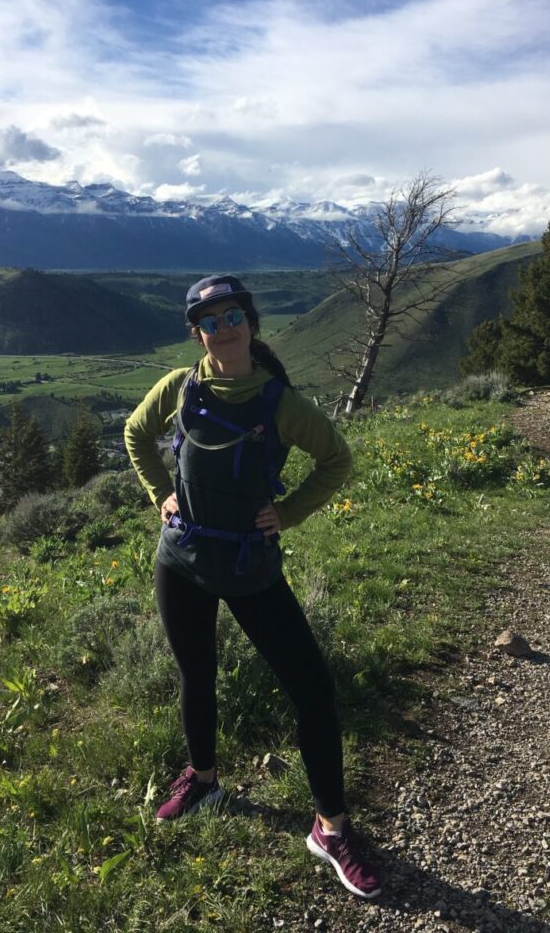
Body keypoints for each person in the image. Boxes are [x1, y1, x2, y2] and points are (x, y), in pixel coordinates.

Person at [124, 274, 381, 900]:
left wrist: (287, 514)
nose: (223, 329)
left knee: (313, 692)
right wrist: (161, 494)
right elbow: (135, 433)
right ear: (198, 334)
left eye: (232, 315)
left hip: (249, 568)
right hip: (181, 559)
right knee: (197, 675)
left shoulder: (280, 403)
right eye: (209, 321)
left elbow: (337, 460)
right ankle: (204, 777)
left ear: (251, 323)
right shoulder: (180, 389)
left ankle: (330, 827)